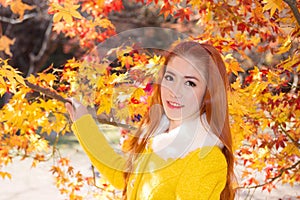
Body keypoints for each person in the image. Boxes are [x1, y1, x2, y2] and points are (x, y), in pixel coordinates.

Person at [66, 41, 235, 200]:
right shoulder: (157, 136)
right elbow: (123, 177)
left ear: (209, 93)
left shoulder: (205, 158)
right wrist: (84, 125)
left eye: (190, 83)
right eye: (170, 78)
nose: (174, 91)